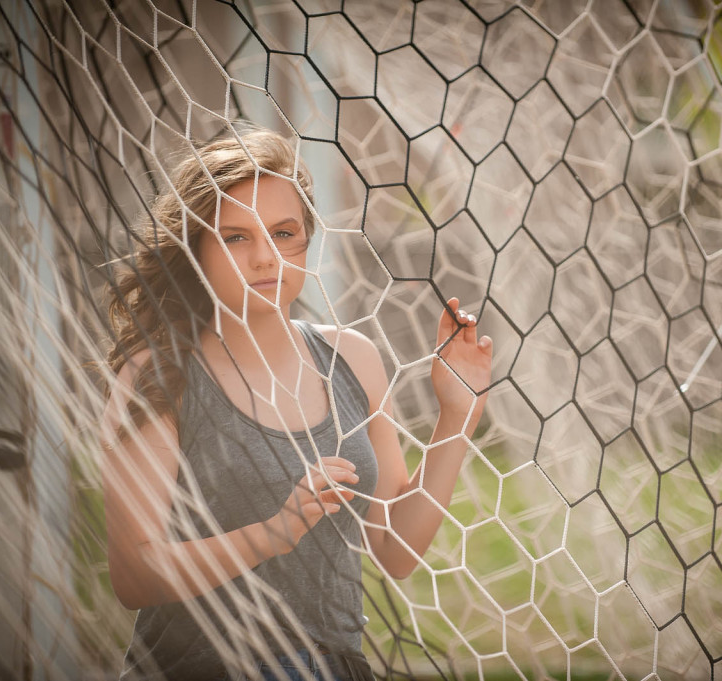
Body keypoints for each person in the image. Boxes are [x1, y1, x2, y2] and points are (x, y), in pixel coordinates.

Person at [100, 124, 493, 681]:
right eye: (236, 237)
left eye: (283, 232)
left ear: (307, 237)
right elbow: (133, 575)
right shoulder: (159, 373)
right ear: (195, 249)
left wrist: (457, 415)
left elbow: (396, 551)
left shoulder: (352, 359)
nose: (265, 257)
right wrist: (271, 534)